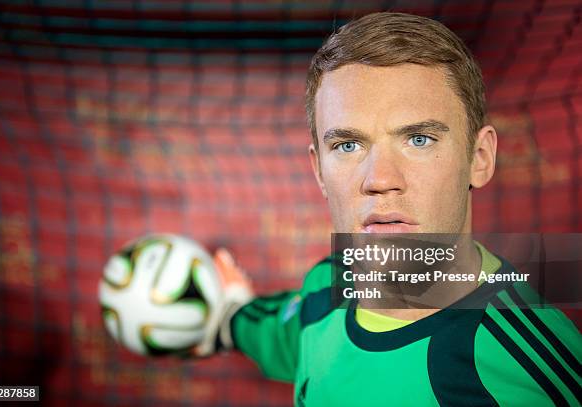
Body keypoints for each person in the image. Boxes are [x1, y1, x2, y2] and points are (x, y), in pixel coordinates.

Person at [205, 12, 582, 406]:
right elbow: (274, 329)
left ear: (480, 158)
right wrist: (223, 314)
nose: (380, 179)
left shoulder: (520, 372)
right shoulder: (327, 286)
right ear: (318, 170)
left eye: (419, 139)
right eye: (348, 145)